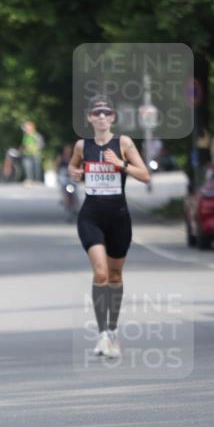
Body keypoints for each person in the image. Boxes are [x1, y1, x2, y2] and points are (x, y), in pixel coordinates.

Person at [68, 96, 150, 358]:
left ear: (113, 117)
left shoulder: (123, 143)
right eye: (97, 113)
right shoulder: (83, 145)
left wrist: (121, 164)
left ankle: (112, 330)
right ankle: (102, 333)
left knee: (115, 276)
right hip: (91, 216)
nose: (102, 117)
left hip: (119, 218)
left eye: (106, 113)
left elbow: (146, 175)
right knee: (101, 273)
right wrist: (75, 172)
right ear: (90, 117)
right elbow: (72, 165)